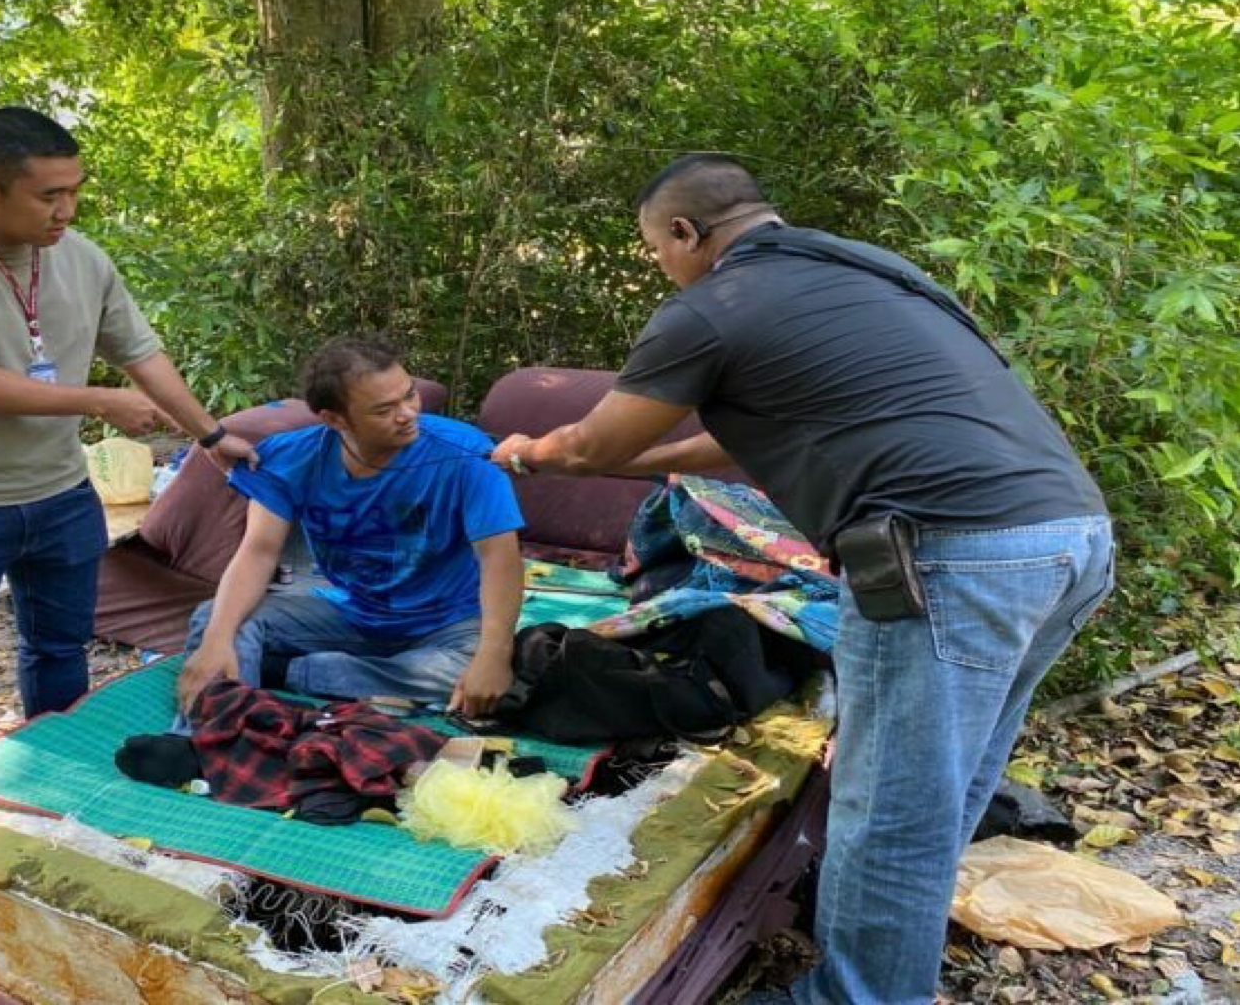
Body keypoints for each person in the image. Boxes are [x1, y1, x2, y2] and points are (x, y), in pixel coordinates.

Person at [491, 154, 1113, 1005]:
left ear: (683, 231)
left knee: (886, 811)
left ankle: (858, 993)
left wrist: (531, 453)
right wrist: (661, 465)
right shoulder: (868, 269)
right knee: (949, 783)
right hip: (1068, 537)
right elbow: (750, 439)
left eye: (653, 250)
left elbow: (593, 446)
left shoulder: (707, 310)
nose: (660, 268)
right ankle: (879, 937)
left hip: (948, 557)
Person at [0, 106, 257, 924]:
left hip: (57, 495)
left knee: (57, 650)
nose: (65, 211)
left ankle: (46, 794)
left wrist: (211, 435)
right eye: (47, 196)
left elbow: (139, 354)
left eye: (74, 191)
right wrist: (97, 401)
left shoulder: (78, 258)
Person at [175, 336, 525, 722]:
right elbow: (259, 551)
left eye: (410, 395)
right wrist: (216, 641)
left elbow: (500, 559)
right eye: (384, 409)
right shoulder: (291, 458)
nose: (408, 413)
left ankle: (289, 673)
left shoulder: (466, 454)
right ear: (334, 418)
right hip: (349, 611)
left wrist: (494, 654)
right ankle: (205, 738)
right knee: (215, 621)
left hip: (447, 622)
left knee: (478, 673)